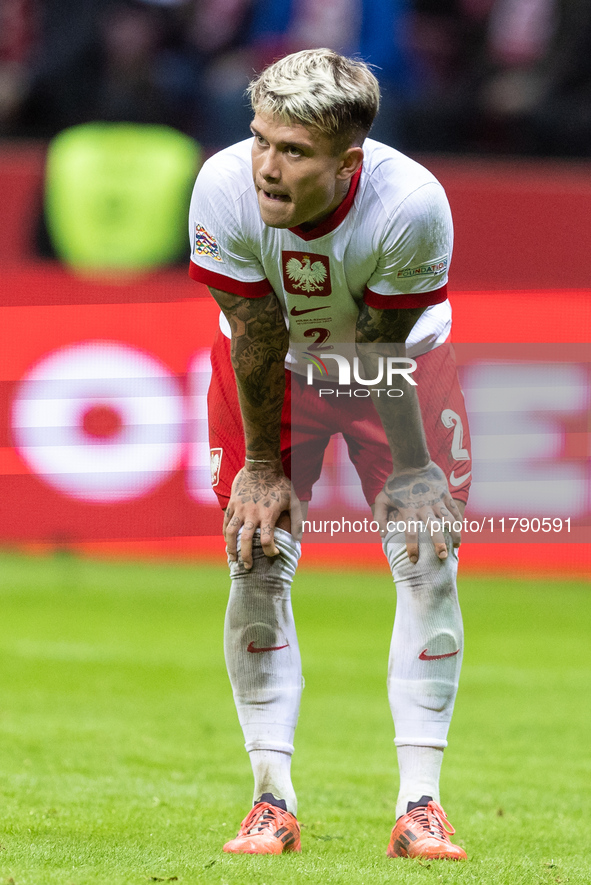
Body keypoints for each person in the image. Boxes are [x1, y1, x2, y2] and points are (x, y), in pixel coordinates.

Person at [188, 47, 472, 860]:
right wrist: (264, 465)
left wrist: (415, 471)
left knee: (428, 555)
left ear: (347, 162)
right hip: (271, 366)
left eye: (293, 152)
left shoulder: (410, 204)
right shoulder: (220, 183)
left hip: (395, 367)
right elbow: (254, 329)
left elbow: (381, 350)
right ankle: (269, 799)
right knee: (256, 551)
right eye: (260, 140)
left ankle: (421, 804)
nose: (266, 168)